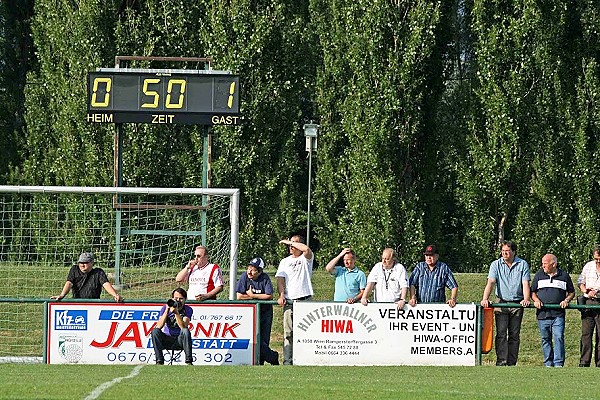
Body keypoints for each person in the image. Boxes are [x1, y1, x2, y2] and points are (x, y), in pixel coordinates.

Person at [480, 240, 531, 366]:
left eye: (507, 251)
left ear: (514, 252)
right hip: (501, 302)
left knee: (514, 334)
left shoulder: (522, 264)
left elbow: (525, 283)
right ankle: (501, 361)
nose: (504, 254)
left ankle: (512, 362)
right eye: (503, 251)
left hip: (517, 303)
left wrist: (526, 298)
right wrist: (485, 298)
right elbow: (491, 282)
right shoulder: (495, 265)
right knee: (501, 333)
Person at [275, 235, 314, 365]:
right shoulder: (284, 261)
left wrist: (287, 241)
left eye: (294, 243)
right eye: (290, 243)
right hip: (290, 301)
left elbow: (306, 249)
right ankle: (288, 360)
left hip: (305, 299)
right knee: (288, 332)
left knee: (306, 332)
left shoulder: (305, 258)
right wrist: (281, 295)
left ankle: (305, 360)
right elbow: (280, 279)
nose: (291, 246)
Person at [531, 254, 574, 367]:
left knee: (558, 337)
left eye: (545, 263)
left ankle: (558, 364)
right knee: (545, 339)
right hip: (542, 314)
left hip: (558, 314)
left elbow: (571, 292)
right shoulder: (539, 275)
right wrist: (536, 300)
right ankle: (548, 364)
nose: (543, 265)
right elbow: (533, 292)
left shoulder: (564, 276)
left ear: (553, 264)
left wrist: (566, 300)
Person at [236, 257, 279, 365]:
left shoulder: (265, 278)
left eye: (253, 269)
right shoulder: (244, 277)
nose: (249, 271)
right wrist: (253, 297)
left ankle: (261, 362)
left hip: (265, 312)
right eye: (249, 267)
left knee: (264, 339)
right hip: (250, 313)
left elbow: (269, 295)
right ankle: (272, 357)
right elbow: (239, 296)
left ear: (260, 272)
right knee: (255, 337)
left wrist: (253, 295)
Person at [51, 252, 123, 301]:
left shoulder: (98, 272)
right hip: (78, 304)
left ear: (92, 263)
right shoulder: (74, 269)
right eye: (80, 262)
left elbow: (106, 284)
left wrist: (115, 295)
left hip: (93, 304)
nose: (82, 265)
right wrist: (62, 295)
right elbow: (69, 283)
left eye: (85, 262)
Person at [151, 287, 194, 365]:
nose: (178, 301)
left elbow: (183, 326)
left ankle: (189, 361)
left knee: (185, 331)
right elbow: (159, 326)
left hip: (180, 340)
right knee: (155, 331)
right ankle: (159, 360)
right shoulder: (165, 308)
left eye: (181, 299)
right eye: (176, 298)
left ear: (185, 299)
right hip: (167, 339)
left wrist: (176, 313)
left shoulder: (188, 309)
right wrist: (167, 311)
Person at [577, 245, 600, 367]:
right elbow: (580, 281)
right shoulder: (588, 266)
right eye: (596, 258)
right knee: (586, 334)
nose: (598, 261)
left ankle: (599, 363)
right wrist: (586, 290)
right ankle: (584, 362)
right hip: (588, 302)